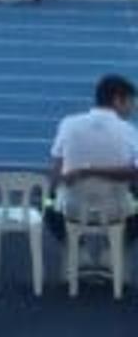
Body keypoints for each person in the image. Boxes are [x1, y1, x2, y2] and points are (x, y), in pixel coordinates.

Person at [44, 74, 138, 251]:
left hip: (71, 210)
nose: (132, 109)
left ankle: (77, 248)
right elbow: (135, 172)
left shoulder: (68, 124)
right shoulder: (129, 131)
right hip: (116, 211)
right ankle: (114, 250)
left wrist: (82, 174)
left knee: (45, 203)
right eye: (131, 103)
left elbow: (56, 172)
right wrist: (96, 171)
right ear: (118, 100)